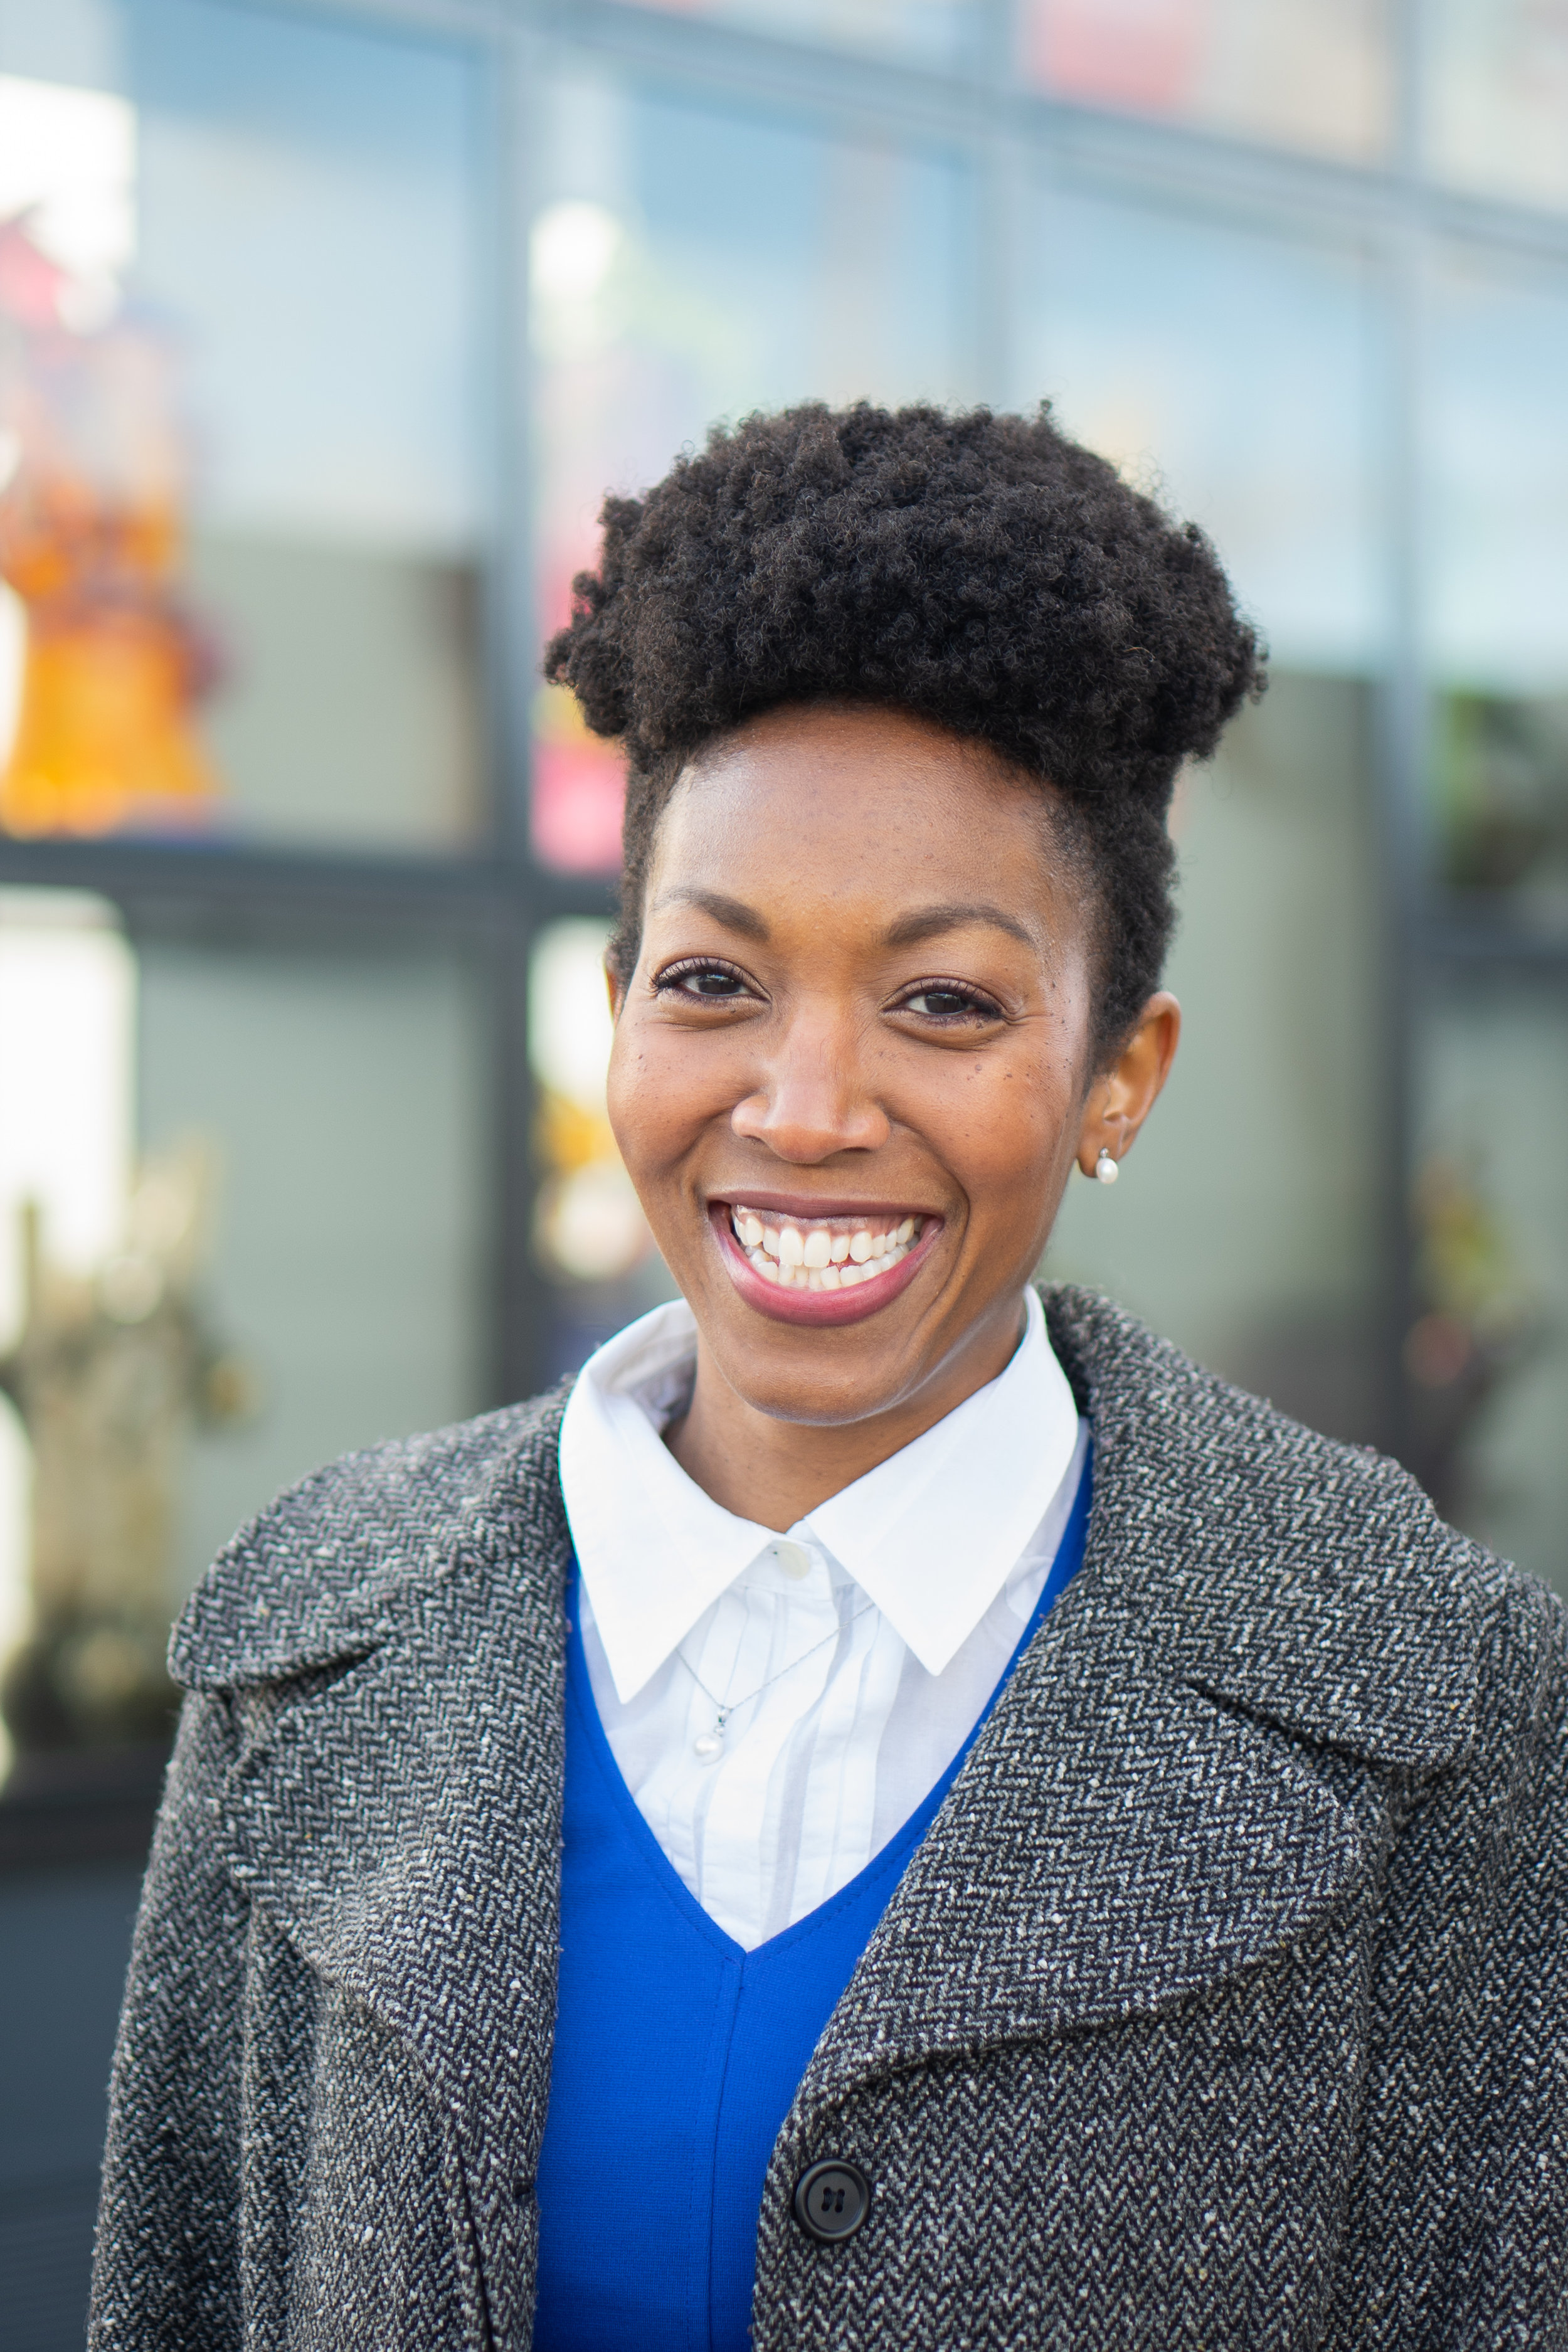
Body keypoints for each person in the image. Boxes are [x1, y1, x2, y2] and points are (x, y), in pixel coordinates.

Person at [90, 403, 1566, 2351]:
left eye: (941, 1003)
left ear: (1122, 1074)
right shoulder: (305, 1644)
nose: (801, 1110)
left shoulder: (1434, 1705)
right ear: (614, 1008)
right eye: (710, 981)